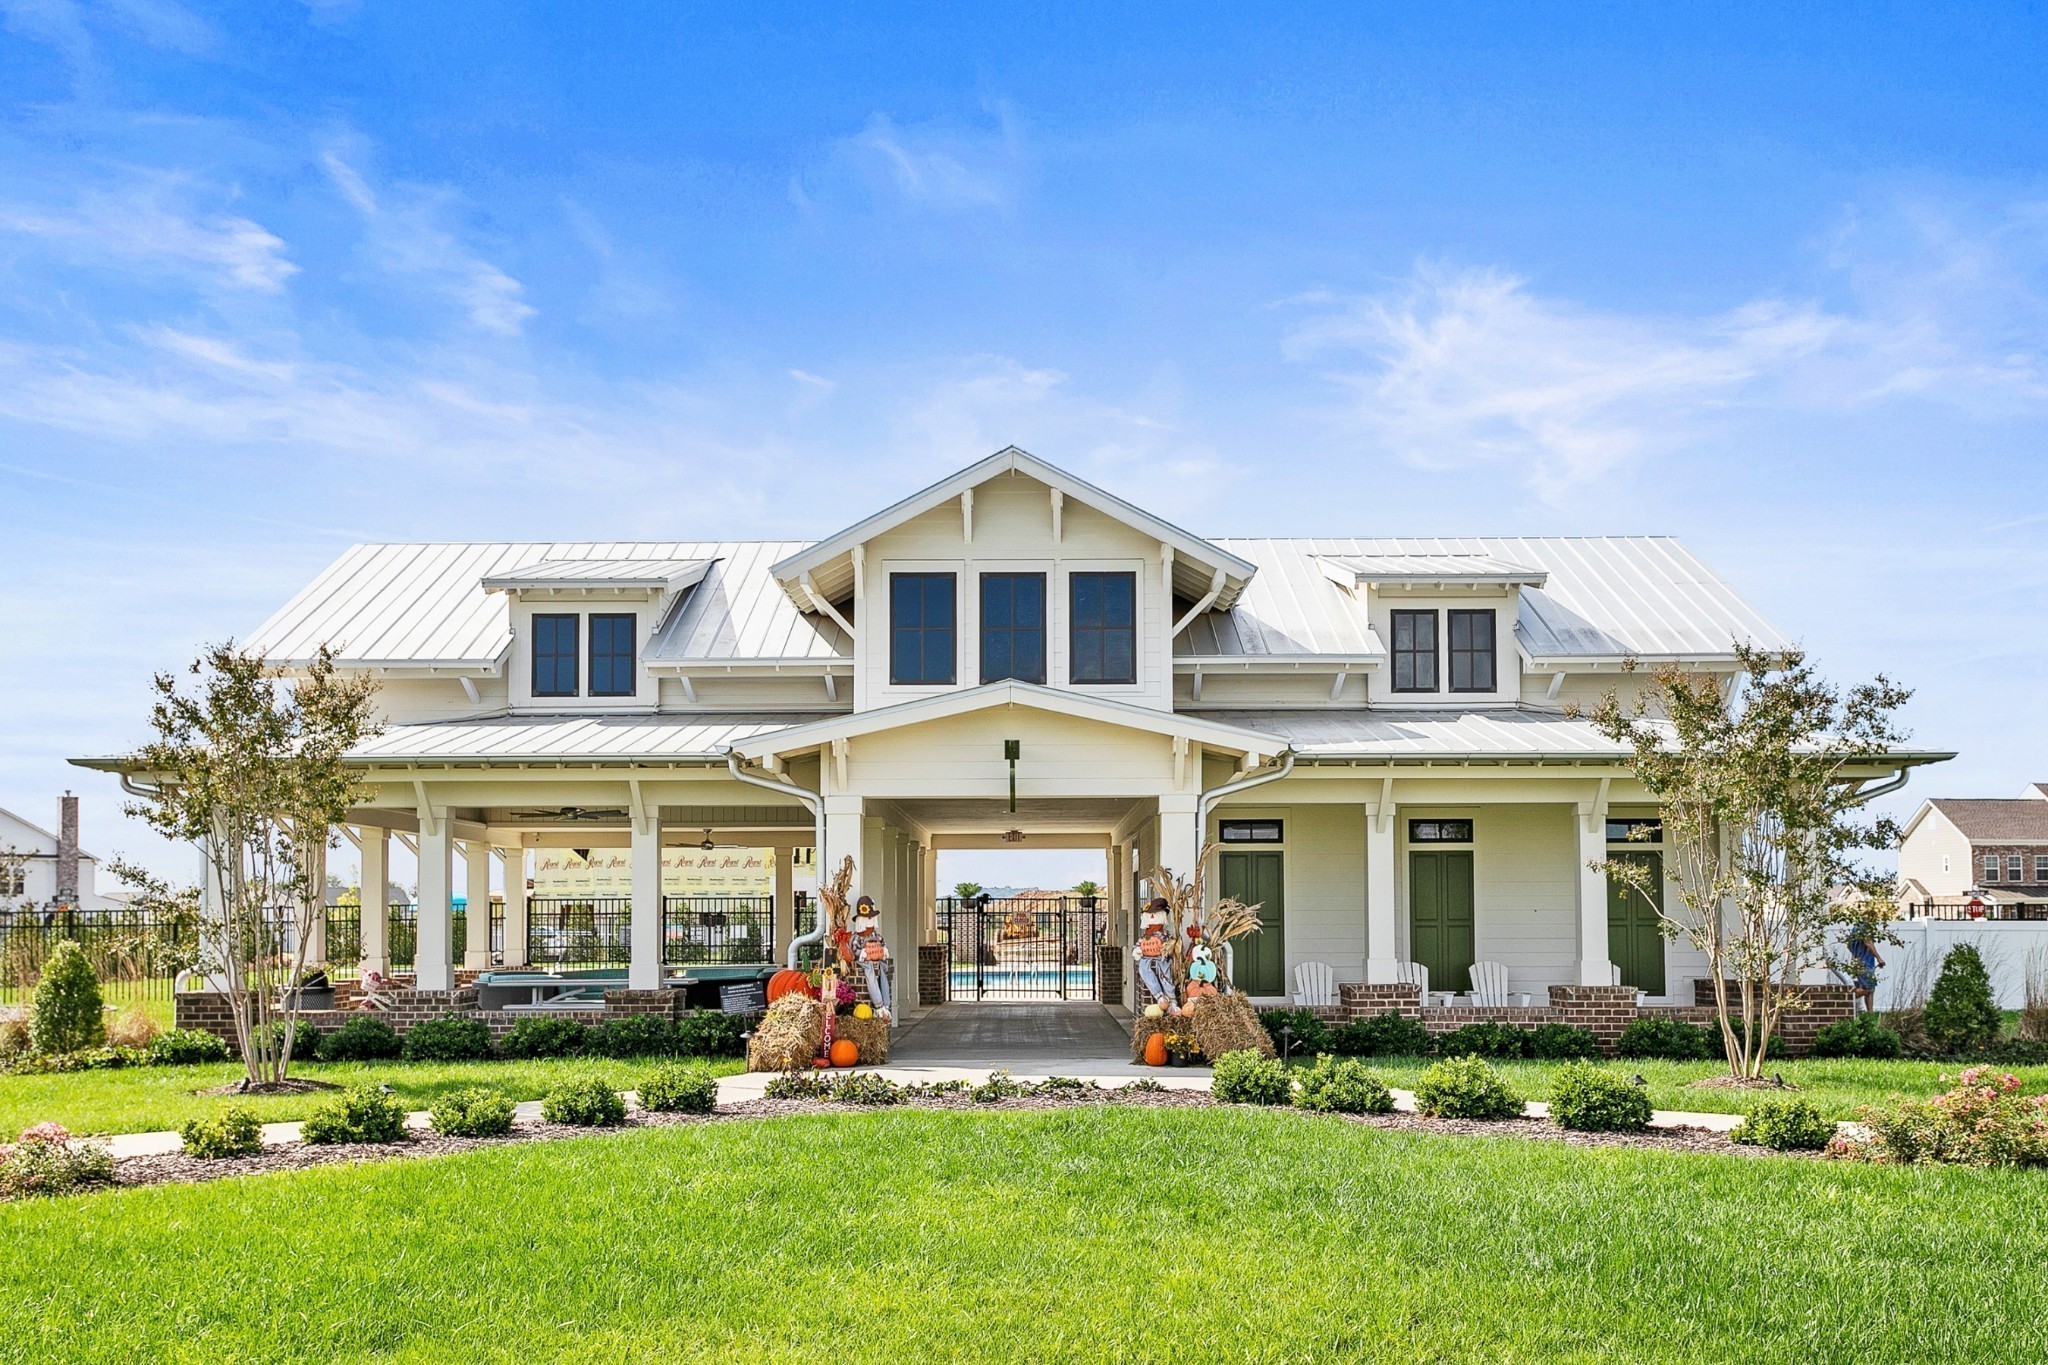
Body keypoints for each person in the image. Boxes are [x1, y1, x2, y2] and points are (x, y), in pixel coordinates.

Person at [848, 895, 892, 1023]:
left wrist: (883, 950)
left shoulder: (876, 936)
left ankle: (886, 1005)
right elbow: (855, 951)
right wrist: (864, 953)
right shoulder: (857, 938)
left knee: (883, 971)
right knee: (869, 970)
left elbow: (882, 943)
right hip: (866, 963)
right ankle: (879, 1005)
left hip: (877, 962)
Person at [1132, 898, 1179, 1014]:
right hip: (1147, 958)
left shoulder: (1164, 935)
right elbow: (1137, 946)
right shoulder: (1145, 936)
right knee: (1144, 970)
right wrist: (1137, 950)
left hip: (1161, 958)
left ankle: (1172, 1001)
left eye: (1155, 914)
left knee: (1165, 975)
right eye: (1150, 914)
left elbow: (1170, 944)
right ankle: (1159, 996)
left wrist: (1167, 949)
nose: (1152, 916)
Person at [1846, 930, 1885, 1013]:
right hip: (1865, 963)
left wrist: (1855, 955)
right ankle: (1845, 998)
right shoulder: (1864, 928)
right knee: (1869, 989)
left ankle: (1870, 1013)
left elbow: (1849, 945)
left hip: (1859, 962)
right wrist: (1879, 958)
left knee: (1869, 988)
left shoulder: (1855, 928)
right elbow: (1868, 943)